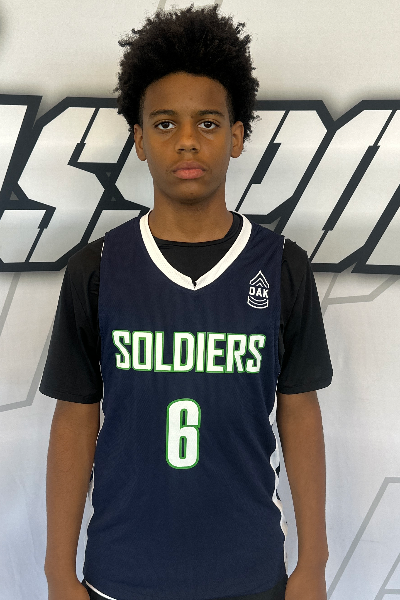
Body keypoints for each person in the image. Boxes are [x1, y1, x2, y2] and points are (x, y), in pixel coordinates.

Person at [40, 4, 333, 600]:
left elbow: (299, 411)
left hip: (250, 572)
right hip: (122, 573)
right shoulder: (98, 268)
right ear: (140, 141)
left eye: (208, 122)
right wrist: (56, 571)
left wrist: (313, 562)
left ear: (237, 136)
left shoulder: (282, 266)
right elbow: (75, 418)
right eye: (166, 123)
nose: (188, 140)